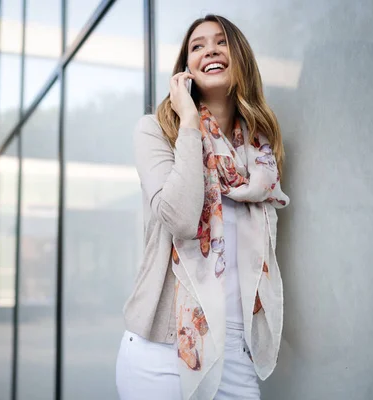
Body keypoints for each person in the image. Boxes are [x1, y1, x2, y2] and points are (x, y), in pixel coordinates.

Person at [116, 14, 290, 400]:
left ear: (239, 56)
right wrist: (190, 123)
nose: (210, 49)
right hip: (161, 353)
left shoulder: (260, 157)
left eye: (220, 41)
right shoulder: (156, 132)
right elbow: (179, 218)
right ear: (186, 69)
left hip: (235, 352)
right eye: (197, 46)